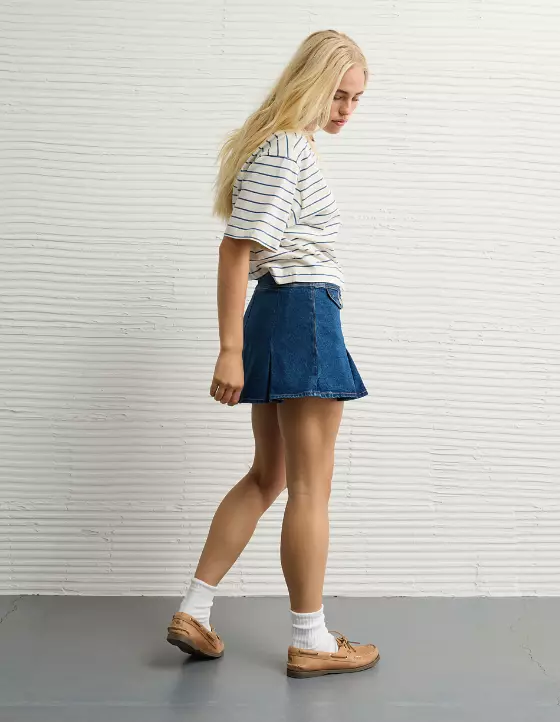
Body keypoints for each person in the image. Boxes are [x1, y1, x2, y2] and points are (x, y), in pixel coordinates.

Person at [166, 30, 380, 679]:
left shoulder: (283, 145)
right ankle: (311, 639)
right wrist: (228, 349)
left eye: (356, 99)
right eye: (338, 95)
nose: (346, 110)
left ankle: (195, 610)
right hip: (301, 312)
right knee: (310, 487)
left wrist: (240, 343)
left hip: (280, 310)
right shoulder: (287, 148)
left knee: (270, 477)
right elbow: (235, 249)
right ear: (310, 83)